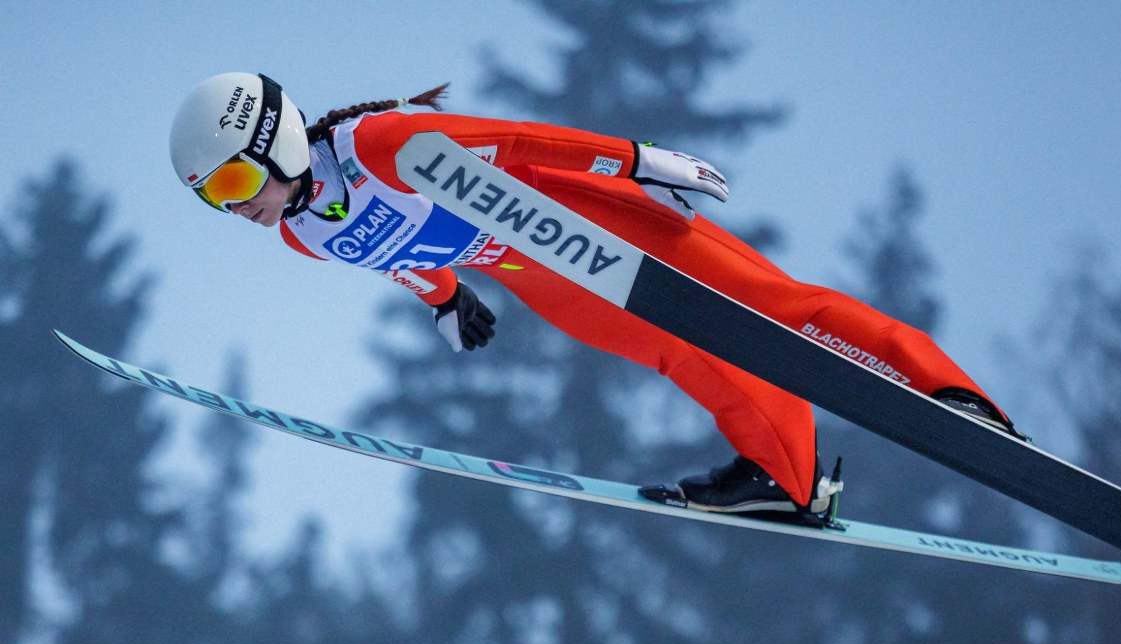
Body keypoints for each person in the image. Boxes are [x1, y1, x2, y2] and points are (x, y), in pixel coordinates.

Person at [169, 72, 1026, 526]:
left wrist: (635, 159)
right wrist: (441, 300)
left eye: (238, 177)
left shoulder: (383, 143)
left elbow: (519, 141)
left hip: (578, 217)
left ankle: (949, 396)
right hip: (530, 269)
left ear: (274, 141)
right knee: (682, 348)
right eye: (215, 197)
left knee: (767, 306)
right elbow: (388, 251)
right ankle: (784, 475)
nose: (238, 204)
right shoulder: (300, 230)